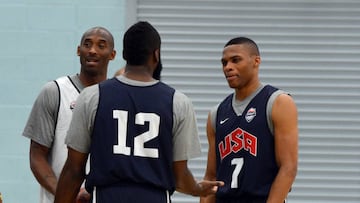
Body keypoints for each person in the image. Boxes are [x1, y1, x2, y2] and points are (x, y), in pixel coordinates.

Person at [54, 21, 223, 203]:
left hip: (106, 196)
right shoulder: (178, 102)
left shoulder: (92, 96)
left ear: (124, 54)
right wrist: (197, 188)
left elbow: (73, 169)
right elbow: (179, 177)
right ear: (156, 55)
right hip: (155, 197)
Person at [22, 26, 116, 203]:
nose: (93, 50)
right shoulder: (54, 91)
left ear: (112, 54)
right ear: (78, 51)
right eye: (87, 44)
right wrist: (66, 194)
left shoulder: (117, 98)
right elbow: (37, 156)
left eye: (101, 45)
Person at [201, 37, 298, 203]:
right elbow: (211, 177)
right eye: (224, 63)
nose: (228, 67)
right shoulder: (216, 114)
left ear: (256, 61)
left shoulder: (278, 102)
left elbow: (288, 168)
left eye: (235, 60)